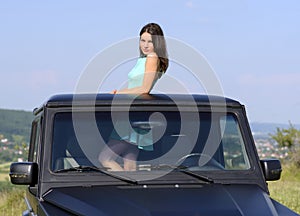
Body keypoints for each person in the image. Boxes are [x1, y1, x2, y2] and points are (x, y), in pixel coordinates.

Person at [98, 23, 169, 171]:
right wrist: (119, 92)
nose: (145, 45)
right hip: (133, 113)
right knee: (129, 163)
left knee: (105, 158)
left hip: (132, 116)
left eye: (150, 41)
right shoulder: (144, 59)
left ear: (157, 43)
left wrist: (119, 94)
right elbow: (134, 86)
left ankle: (125, 187)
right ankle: (132, 188)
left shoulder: (152, 58)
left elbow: (145, 88)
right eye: (142, 40)